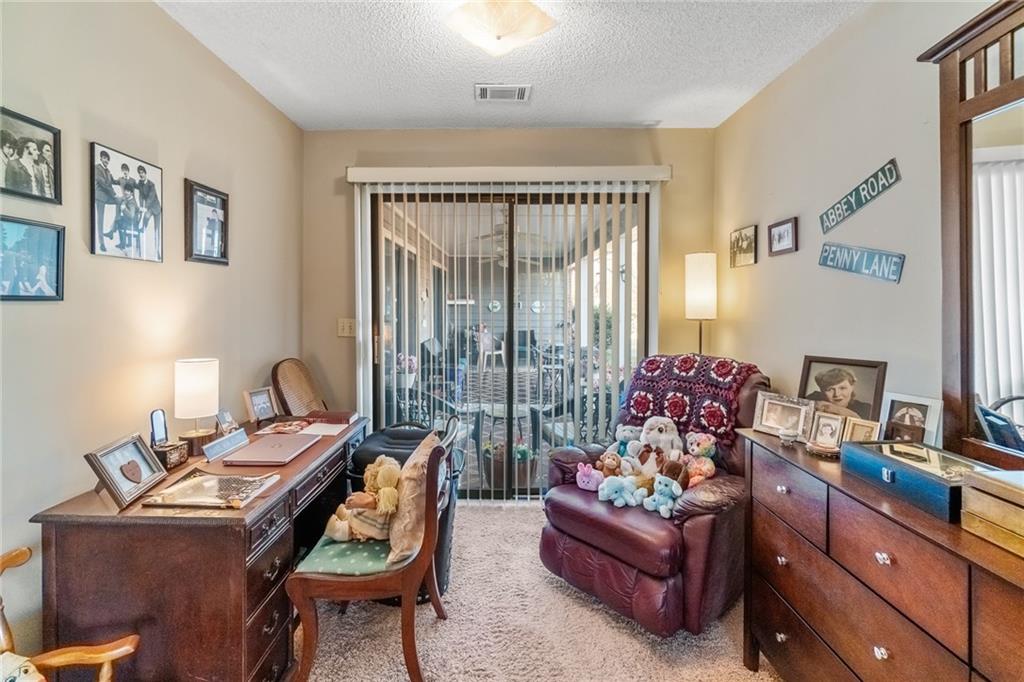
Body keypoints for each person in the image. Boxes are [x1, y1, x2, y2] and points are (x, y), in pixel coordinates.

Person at [806, 367, 872, 419]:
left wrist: (834, 408)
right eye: (830, 389)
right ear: (822, 390)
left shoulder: (866, 409)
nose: (837, 394)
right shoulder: (812, 399)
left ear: (852, 387)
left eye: (842, 388)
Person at [93, 150, 118, 251]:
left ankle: (112, 230)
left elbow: (114, 181)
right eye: (104, 158)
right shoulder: (97, 168)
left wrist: (124, 180)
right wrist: (114, 194)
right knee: (100, 219)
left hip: (107, 195)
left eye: (108, 159)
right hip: (100, 196)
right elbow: (103, 184)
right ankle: (101, 243)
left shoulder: (108, 171)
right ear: (101, 158)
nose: (106, 160)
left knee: (120, 201)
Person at [135, 165, 160, 240]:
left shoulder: (151, 184)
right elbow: (141, 196)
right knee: (146, 217)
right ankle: (143, 228)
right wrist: (141, 207)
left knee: (157, 229)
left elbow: (151, 198)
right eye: (139, 173)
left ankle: (157, 247)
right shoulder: (140, 183)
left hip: (156, 207)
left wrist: (145, 207)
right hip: (148, 208)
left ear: (145, 173)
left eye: (142, 173)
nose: (141, 174)